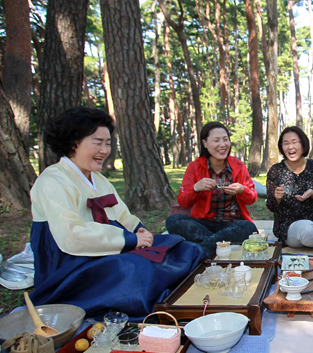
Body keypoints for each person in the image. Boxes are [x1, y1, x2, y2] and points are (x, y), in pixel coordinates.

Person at [29, 107, 205, 319]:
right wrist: (130, 240)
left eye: (108, 143)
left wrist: (139, 230)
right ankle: (162, 306)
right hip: (72, 262)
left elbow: (122, 215)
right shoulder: (52, 180)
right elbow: (71, 236)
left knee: (180, 246)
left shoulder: (100, 180)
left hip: (113, 247)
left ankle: (176, 297)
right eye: (97, 142)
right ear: (73, 142)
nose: (104, 150)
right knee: (133, 268)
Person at [165, 122, 257, 253]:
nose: (222, 145)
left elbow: (252, 198)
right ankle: (215, 246)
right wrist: (196, 188)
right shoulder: (195, 166)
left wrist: (242, 190)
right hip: (203, 223)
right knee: (173, 221)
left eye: (225, 139)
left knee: (248, 227)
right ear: (205, 143)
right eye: (216, 140)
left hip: (231, 223)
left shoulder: (238, 166)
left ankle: (203, 248)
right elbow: (183, 202)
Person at [266, 126, 313, 247]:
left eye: (294, 142)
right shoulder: (276, 171)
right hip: (290, 226)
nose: (290, 147)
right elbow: (271, 206)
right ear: (282, 147)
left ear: (303, 144)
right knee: (308, 232)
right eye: (286, 143)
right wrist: (277, 198)